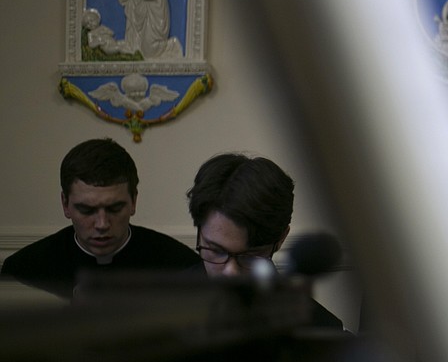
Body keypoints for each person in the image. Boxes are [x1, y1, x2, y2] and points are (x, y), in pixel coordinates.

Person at [0, 138, 199, 298]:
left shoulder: (181, 267)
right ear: (65, 204)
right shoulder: (23, 272)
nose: (102, 224)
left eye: (115, 208)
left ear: (134, 202)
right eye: (86, 210)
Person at [186, 153, 344, 329]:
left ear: (281, 239)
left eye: (250, 255)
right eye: (216, 251)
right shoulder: (159, 306)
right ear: (199, 231)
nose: (231, 272)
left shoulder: (319, 329)